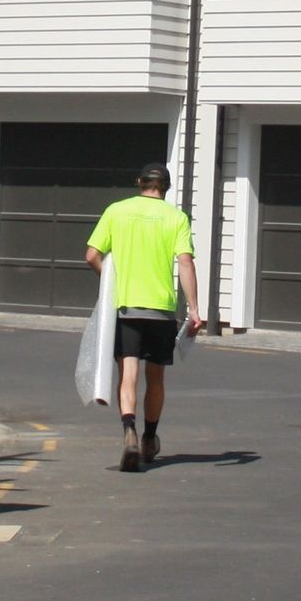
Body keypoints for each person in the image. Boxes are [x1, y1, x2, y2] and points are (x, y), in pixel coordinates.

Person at [85, 162, 205, 471]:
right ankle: (151, 437)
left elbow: (92, 255)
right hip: (161, 309)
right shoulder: (176, 218)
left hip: (126, 307)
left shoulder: (116, 211)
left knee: (128, 374)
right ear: (166, 187)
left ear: (139, 182)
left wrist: (111, 282)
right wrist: (194, 309)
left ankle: (129, 433)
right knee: (156, 378)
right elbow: (185, 263)